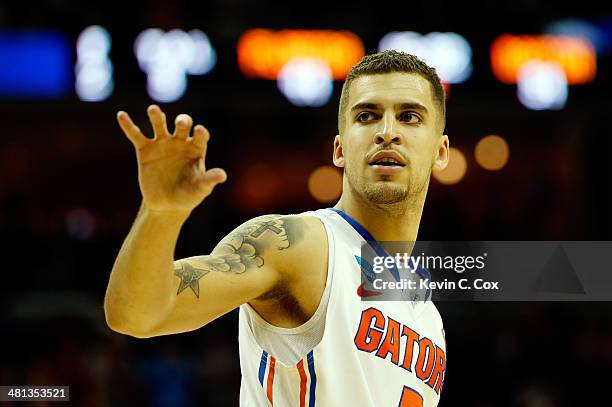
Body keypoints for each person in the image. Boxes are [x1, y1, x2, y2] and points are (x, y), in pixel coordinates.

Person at [104, 50, 450, 406]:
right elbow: (134, 315)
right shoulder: (297, 245)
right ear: (340, 149)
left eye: (409, 116)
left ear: (441, 152)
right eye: (367, 116)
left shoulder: (426, 311)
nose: (387, 132)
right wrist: (160, 215)